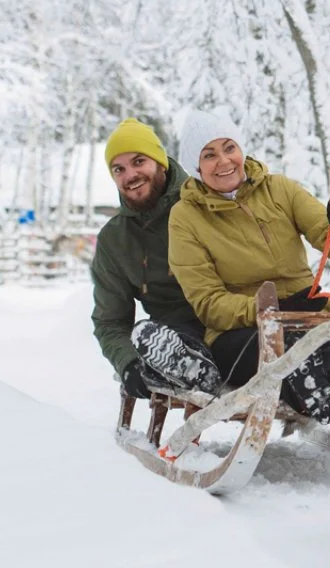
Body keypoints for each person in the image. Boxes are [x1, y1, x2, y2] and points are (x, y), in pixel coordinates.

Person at [167, 109, 330, 424]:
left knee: (325, 334)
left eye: (229, 147)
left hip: (305, 311)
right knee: (298, 345)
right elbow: (208, 303)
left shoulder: (280, 190)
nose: (224, 161)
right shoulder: (185, 217)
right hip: (242, 331)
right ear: (195, 166)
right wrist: (267, 310)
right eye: (209, 154)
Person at [90, 118, 229, 401]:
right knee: (147, 335)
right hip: (176, 335)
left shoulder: (205, 197)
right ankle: (190, 365)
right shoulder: (115, 240)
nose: (130, 175)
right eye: (119, 169)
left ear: (160, 162)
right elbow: (110, 320)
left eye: (139, 161)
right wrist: (127, 362)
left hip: (230, 321)